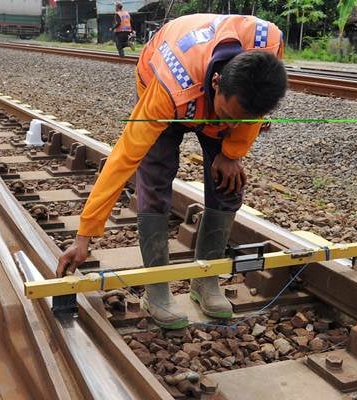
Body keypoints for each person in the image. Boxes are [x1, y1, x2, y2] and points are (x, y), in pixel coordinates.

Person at [57, 14, 288, 329]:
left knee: (228, 184)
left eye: (241, 120)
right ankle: (157, 290)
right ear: (217, 82)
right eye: (226, 116)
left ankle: (204, 281)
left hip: (203, 92)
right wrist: (85, 234)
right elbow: (123, 159)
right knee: (155, 182)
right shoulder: (169, 90)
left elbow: (244, 115)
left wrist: (232, 152)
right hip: (162, 79)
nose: (230, 126)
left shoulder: (268, 45)